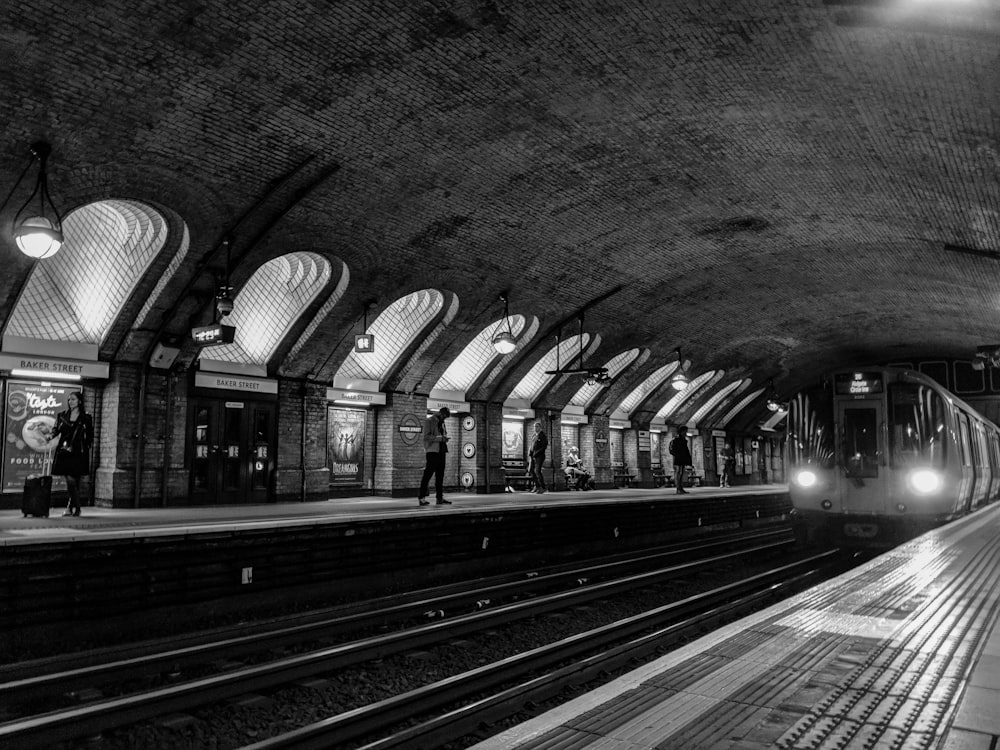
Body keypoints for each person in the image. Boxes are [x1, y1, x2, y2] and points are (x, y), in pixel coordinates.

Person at [47, 391, 94, 517]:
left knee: (75, 480)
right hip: (65, 450)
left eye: (73, 399)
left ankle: (71, 508)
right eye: (69, 400)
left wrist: (86, 446)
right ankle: (76, 507)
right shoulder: (62, 415)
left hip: (79, 451)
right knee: (70, 479)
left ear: (79, 401)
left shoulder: (86, 417)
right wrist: (50, 436)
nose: (70, 402)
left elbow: (90, 435)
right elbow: (56, 429)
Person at [418, 407, 452, 506]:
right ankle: (422, 497)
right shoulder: (429, 421)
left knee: (440, 476)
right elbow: (426, 437)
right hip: (432, 452)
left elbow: (442, 434)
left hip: (442, 451)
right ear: (440, 414)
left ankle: (440, 498)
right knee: (427, 475)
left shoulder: (442, 423)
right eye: (444, 417)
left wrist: (444, 438)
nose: (444, 419)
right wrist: (441, 438)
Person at [668, 425, 692, 495]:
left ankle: (680, 487)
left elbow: (686, 450)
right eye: (685, 432)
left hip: (683, 458)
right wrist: (677, 455)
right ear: (681, 431)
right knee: (678, 472)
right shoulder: (676, 439)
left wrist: (688, 459)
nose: (686, 433)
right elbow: (671, 449)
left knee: (681, 473)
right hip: (678, 458)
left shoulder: (684, 440)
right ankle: (678, 488)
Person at [528, 422, 548, 494]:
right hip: (533, 455)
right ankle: (537, 486)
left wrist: (536, 453)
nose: (535, 428)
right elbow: (532, 444)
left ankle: (543, 488)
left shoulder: (542, 435)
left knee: (537, 471)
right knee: (531, 470)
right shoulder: (534, 435)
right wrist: (530, 452)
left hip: (539, 456)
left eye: (537, 426)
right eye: (534, 426)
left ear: (540, 427)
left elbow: (544, 446)